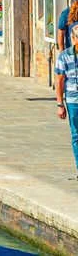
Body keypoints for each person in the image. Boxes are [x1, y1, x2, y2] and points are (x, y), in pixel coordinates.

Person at [56, 23, 78, 177]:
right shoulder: (64, 56)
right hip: (73, 101)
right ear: (73, 38)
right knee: (76, 135)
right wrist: (60, 104)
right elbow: (59, 81)